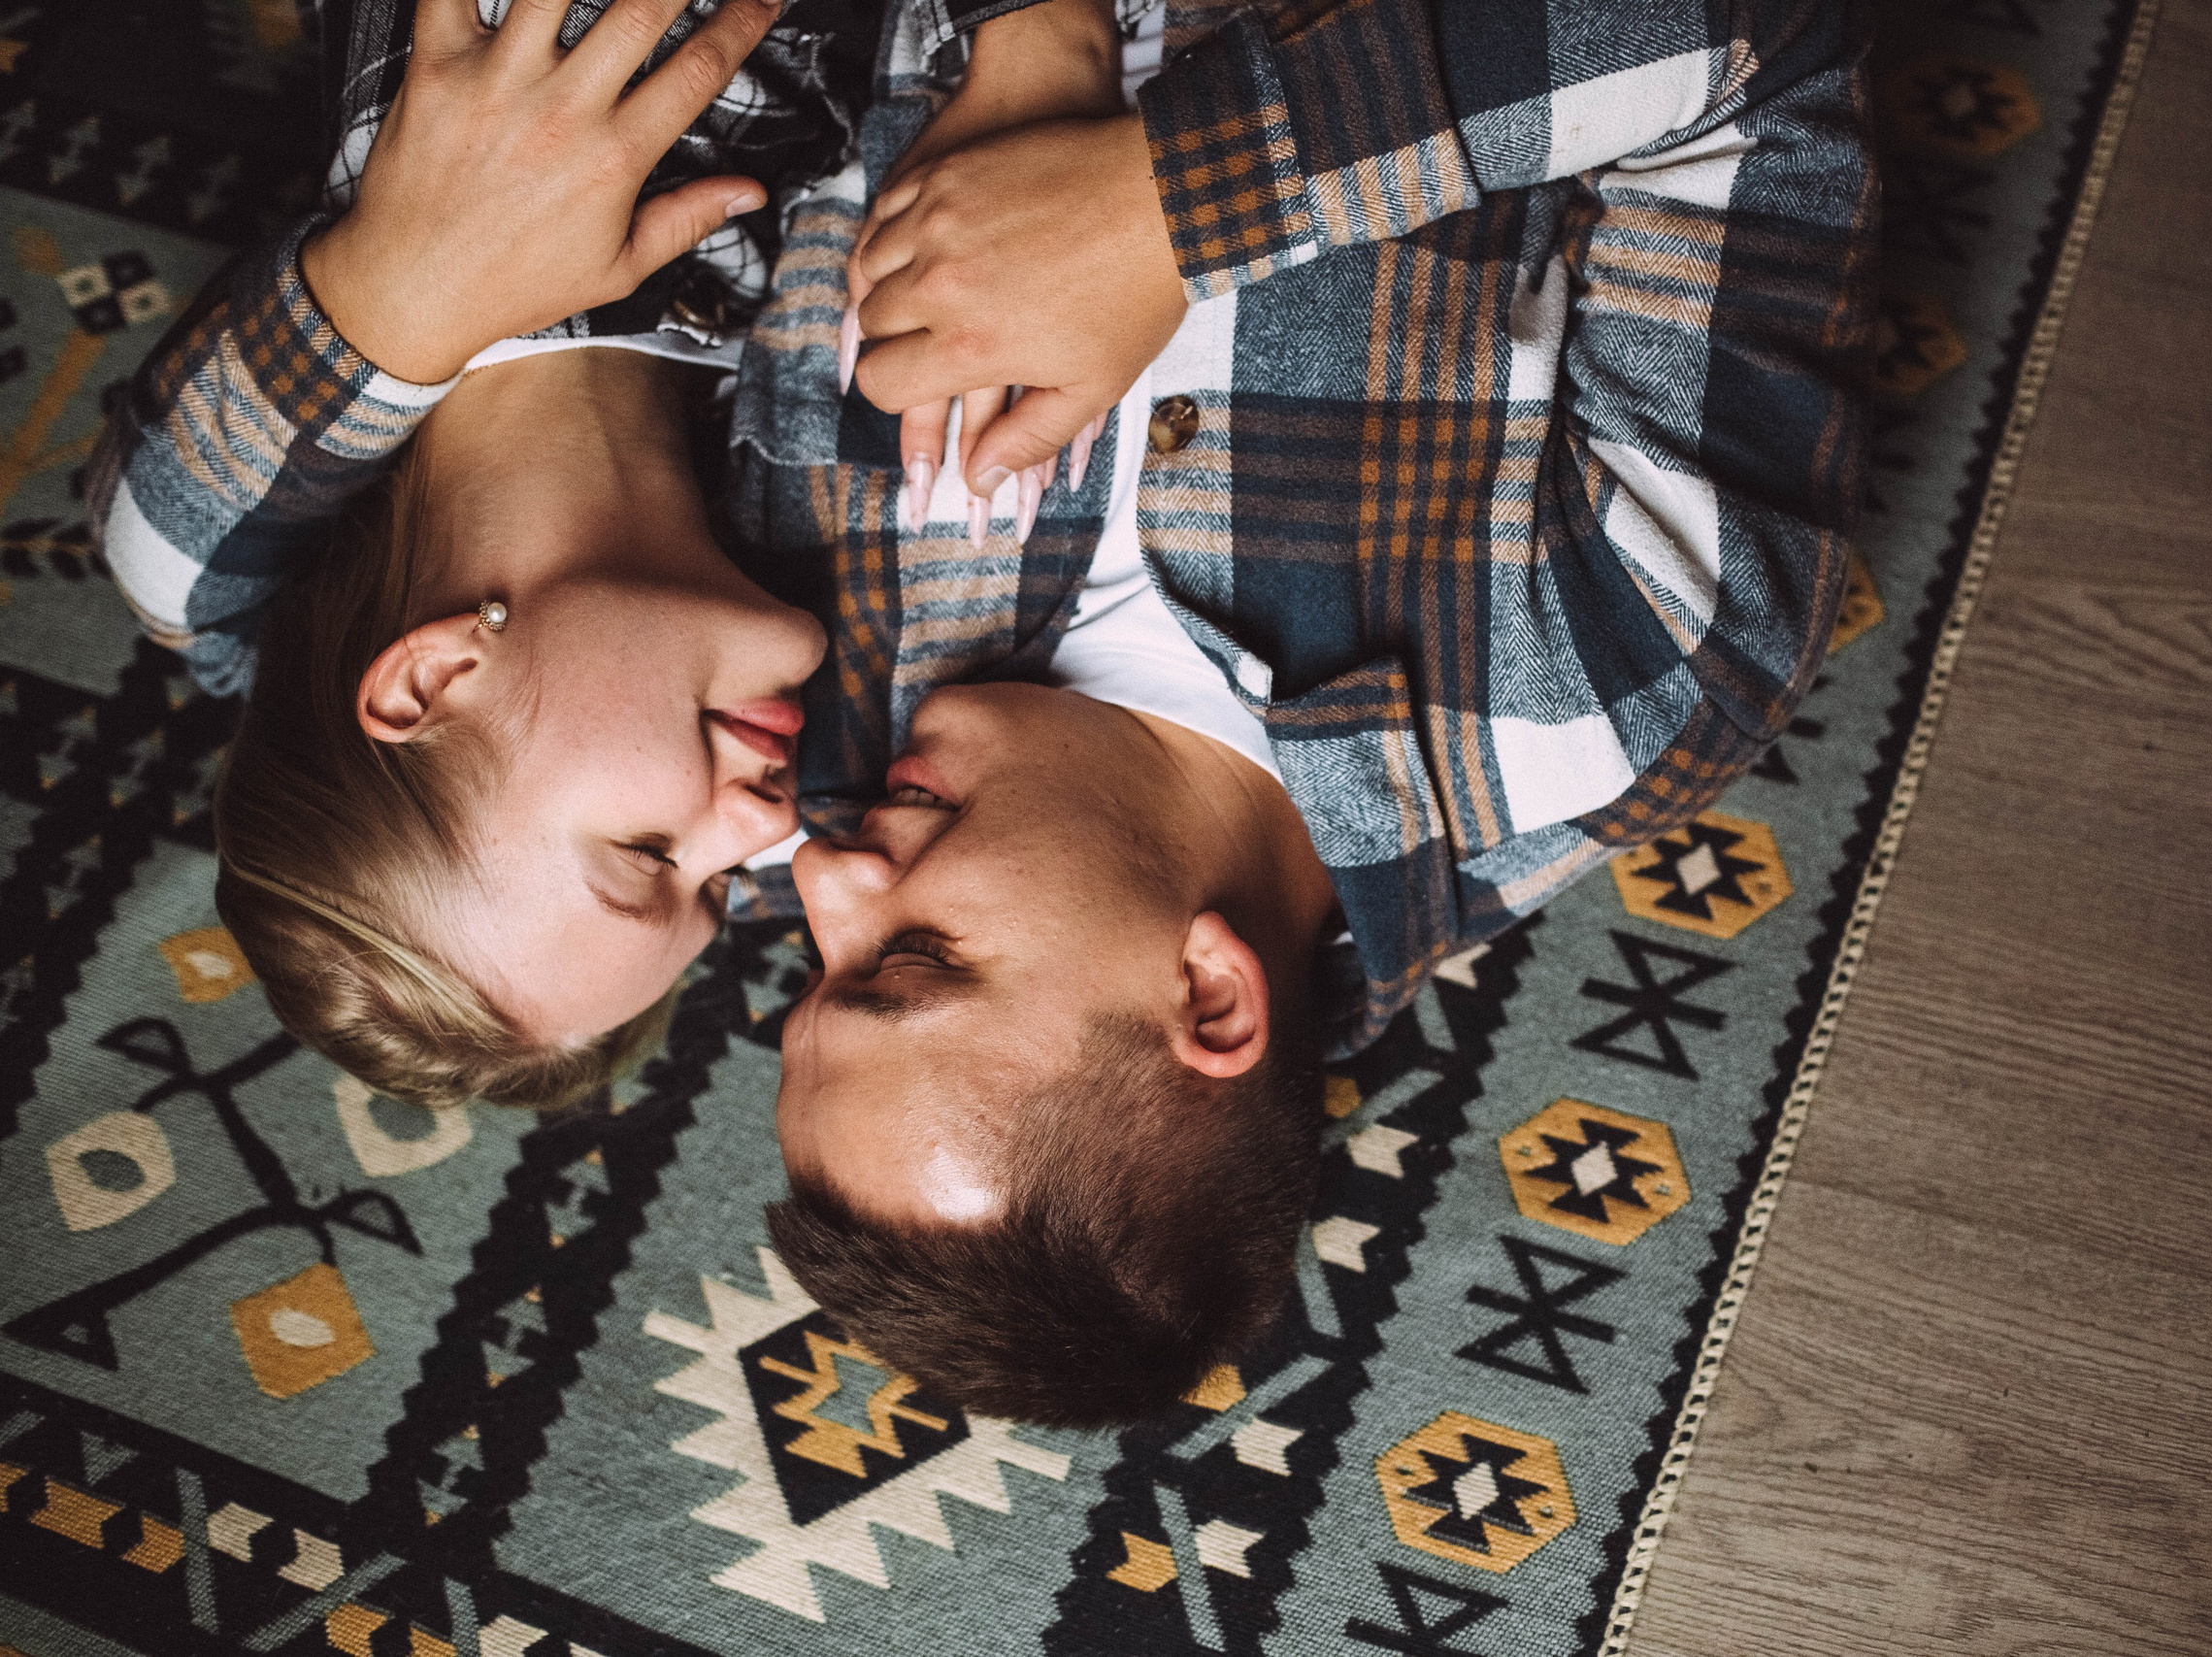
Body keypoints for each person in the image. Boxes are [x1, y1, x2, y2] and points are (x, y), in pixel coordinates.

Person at [753, 0, 1878, 1424]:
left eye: (814, 960)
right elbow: (1748, 45)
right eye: (910, 956)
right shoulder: (1623, 675)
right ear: (1210, 992)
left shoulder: (783, 719)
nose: (820, 872)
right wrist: (1164, 208)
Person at [91, 0, 876, 1106]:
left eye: (649, 852)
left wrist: (403, 296)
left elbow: (179, 553)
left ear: (437, 674)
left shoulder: (507, 90)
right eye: (714, 888)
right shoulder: (837, 482)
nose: (765, 824)